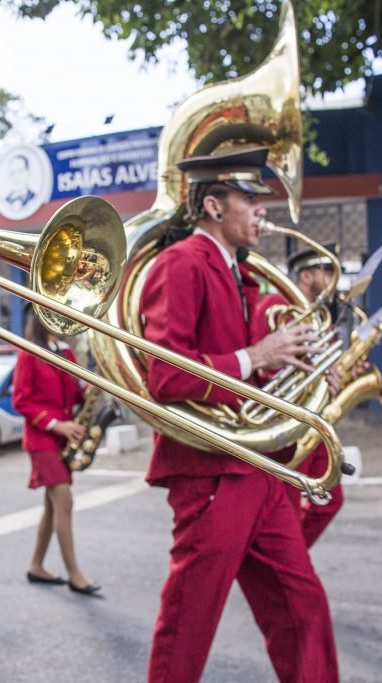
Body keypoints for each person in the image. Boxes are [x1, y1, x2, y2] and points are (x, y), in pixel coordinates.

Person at [140, 145, 339, 682]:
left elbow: (256, 377)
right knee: (189, 626)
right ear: (212, 206)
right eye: (249, 198)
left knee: (303, 610)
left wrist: (308, 371)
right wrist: (259, 355)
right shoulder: (179, 263)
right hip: (211, 474)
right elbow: (167, 375)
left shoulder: (243, 277)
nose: (261, 210)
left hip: (259, 469)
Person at [253, 245, 345, 548]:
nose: (333, 278)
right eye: (327, 271)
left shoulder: (319, 317)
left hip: (314, 422)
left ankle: (292, 556)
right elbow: (265, 367)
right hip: (289, 422)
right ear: (307, 275)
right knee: (288, 510)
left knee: (332, 498)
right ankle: (289, 561)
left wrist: (334, 377)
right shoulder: (277, 305)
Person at [11, 305, 100, 595]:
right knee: (64, 502)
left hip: (60, 439)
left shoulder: (66, 352)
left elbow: (73, 393)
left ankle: (36, 565)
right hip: (42, 440)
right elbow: (21, 401)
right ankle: (75, 574)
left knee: (52, 507)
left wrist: (90, 390)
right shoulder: (29, 353)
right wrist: (57, 425)